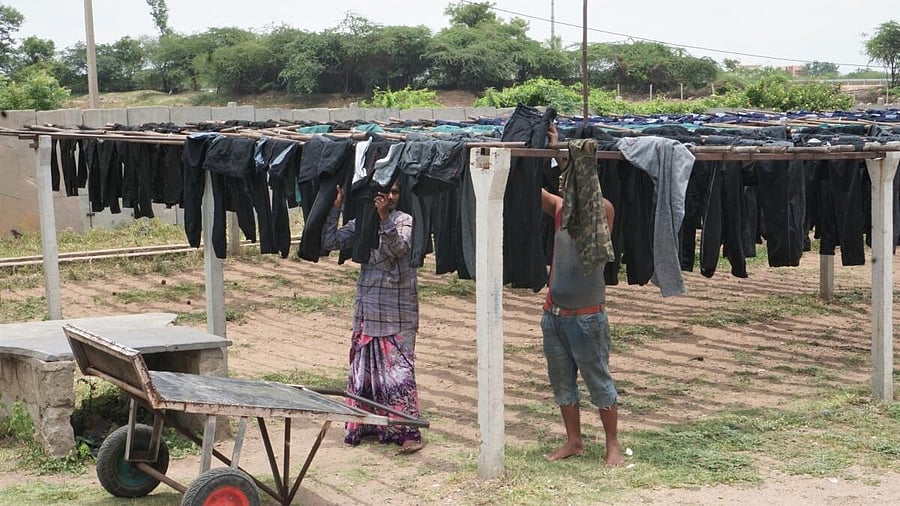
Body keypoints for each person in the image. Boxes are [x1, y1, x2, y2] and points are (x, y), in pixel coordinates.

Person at [321, 180, 424, 455]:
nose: (390, 196)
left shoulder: (404, 221)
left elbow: (398, 248)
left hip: (397, 315)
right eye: (385, 191)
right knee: (365, 373)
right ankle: (369, 425)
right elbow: (330, 241)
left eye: (395, 192)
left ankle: (407, 432)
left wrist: (384, 217)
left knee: (399, 376)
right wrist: (336, 207)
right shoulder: (362, 222)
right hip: (368, 312)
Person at [540, 124, 622, 465]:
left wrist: (572, 164)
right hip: (555, 315)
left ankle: (612, 445)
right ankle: (574, 441)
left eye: (569, 180)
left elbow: (589, 200)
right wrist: (550, 148)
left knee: (598, 381)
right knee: (562, 383)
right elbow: (530, 189)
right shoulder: (559, 209)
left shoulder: (601, 211)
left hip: (587, 318)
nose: (563, 185)